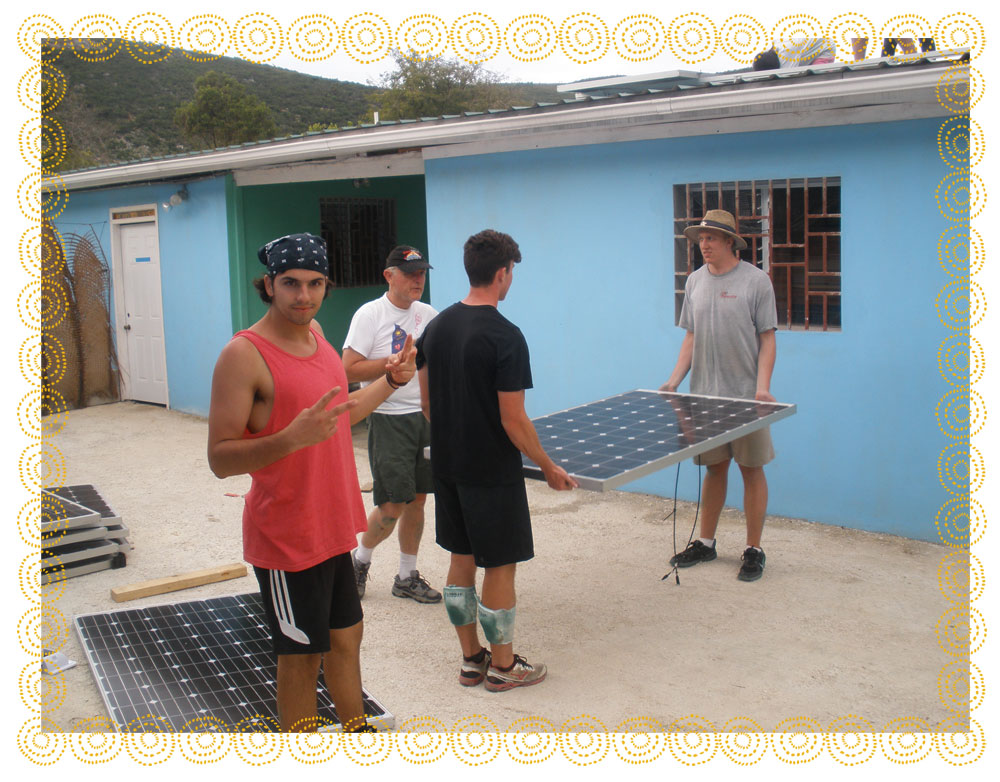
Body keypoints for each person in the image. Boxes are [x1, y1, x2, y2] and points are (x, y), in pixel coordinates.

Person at [207, 232, 417, 732]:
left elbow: (343, 413)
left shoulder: (319, 337)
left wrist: (392, 381)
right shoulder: (243, 354)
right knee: (301, 656)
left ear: (327, 285)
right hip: (286, 535)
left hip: (332, 527)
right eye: (291, 284)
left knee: (346, 640)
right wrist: (289, 438)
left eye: (315, 283)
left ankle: (356, 734)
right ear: (269, 285)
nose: (304, 296)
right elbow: (219, 459)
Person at [416, 229, 577, 693]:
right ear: (503, 273)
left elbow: (427, 405)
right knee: (500, 566)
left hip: (447, 465)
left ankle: (472, 660)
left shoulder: (437, 327)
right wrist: (547, 465)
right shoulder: (506, 336)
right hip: (490, 471)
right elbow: (514, 420)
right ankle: (504, 667)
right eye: (512, 274)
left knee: (460, 559)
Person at [661, 210, 778, 582]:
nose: (704, 244)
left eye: (711, 238)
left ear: (731, 242)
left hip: (746, 399)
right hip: (705, 399)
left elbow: (768, 338)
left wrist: (762, 388)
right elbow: (691, 336)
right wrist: (674, 380)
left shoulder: (757, 282)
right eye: (700, 238)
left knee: (751, 469)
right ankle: (706, 542)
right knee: (714, 469)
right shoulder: (694, 282)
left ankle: (753, 549)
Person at [342, 246, 441, 604]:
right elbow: (348, 368)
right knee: (391, 506)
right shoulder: (371, 314)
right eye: (410, 273)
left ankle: (406, 575)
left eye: (422, 274)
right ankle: (359, 560)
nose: (418, 280)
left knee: (418, 500)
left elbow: (431, 365)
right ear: (389, 275)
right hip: (388, 419)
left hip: (424, 418)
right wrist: (391, 363)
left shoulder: (429, 315)